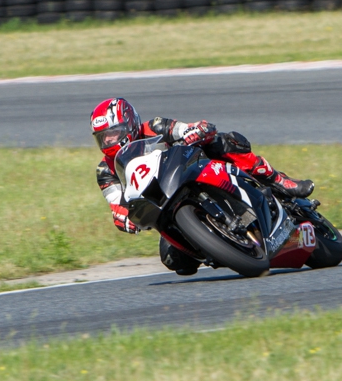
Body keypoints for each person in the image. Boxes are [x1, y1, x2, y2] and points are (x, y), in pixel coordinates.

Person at [92, 97, 314, 275]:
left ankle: (279, 181)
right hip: (163, 204)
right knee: (175, 261)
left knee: (225, 142)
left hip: (191, 171)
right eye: (103, 137)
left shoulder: (154, 126)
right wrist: (123, 219)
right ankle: (223, 247)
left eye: (114, 133)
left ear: (129, 123)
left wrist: (196, 130)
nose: (109, 141)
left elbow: (183, 129)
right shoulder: (105, 172)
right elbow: (116, 204)